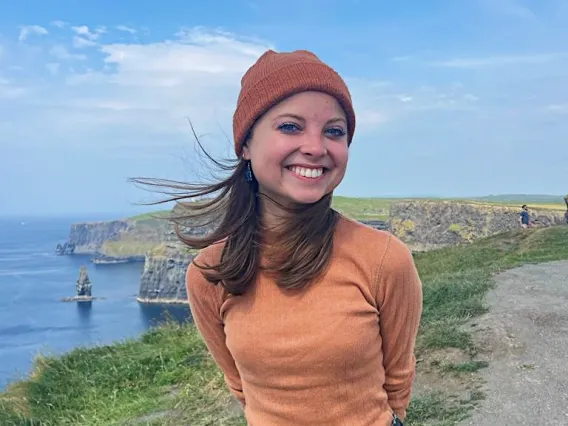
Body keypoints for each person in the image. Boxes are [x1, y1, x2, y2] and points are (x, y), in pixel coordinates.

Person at [143, 50, 423, 425]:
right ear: (245, 144)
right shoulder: (210, 273)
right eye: (290, 126)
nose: (315, 147)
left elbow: (398, 379)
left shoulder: (384, 259)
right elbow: (240, 385)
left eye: (334, 131)